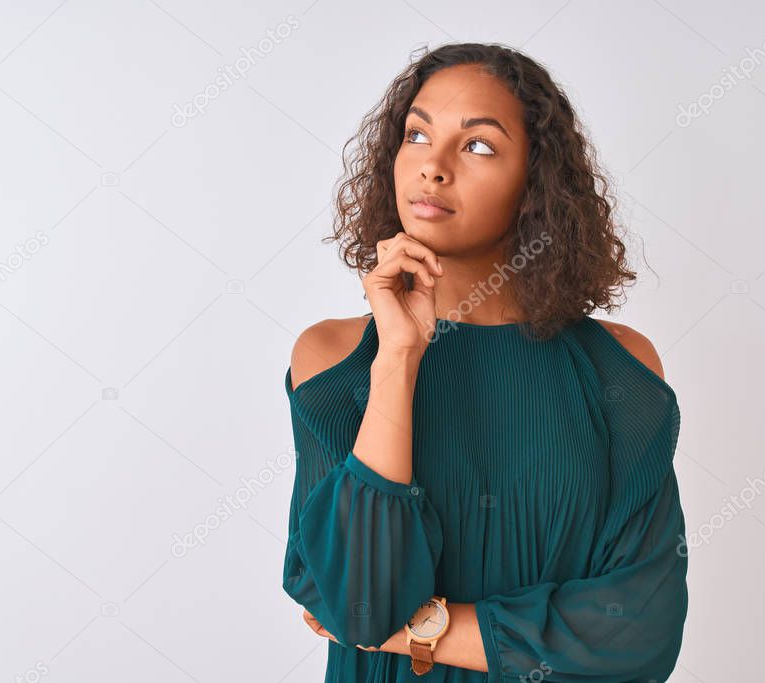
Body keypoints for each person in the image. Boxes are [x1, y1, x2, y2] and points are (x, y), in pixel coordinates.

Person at [282, 42, 688, 682]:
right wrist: (400, 355)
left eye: (477, 146)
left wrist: (414, 630)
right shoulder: (334, 360)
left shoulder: (621, 369)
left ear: (536, 183)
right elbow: (359, 599)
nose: (433, 168)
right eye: (417, 135)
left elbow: (638, 633)